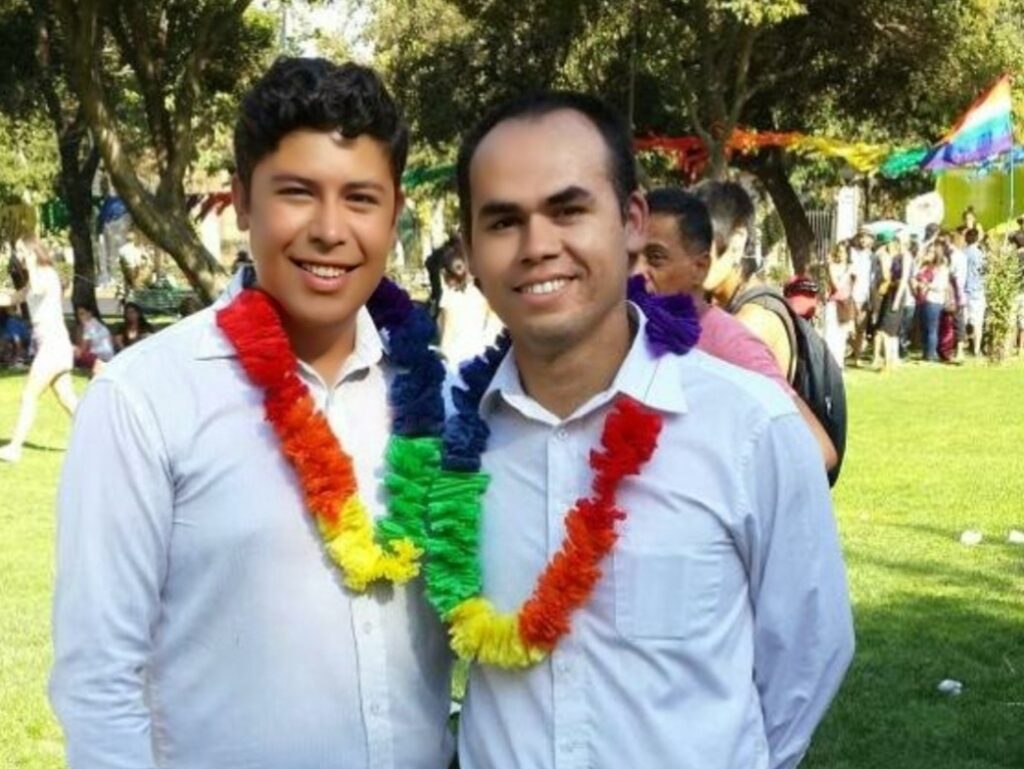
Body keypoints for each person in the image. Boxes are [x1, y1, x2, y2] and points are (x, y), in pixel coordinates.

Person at [50, 57, 453, 769]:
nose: (330, 230)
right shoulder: (147, 398)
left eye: (361, 199)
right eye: (297, 192)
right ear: (242, 201)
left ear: (394, 213)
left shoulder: (436, 396)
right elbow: (99, 676)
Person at [448, 91, 854, 769]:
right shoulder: (448, 436)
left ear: (632, 220)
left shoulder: (749, 428)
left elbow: (808, 656)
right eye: (503, 221)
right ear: (470, 247)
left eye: (569, 210)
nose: (538, 246)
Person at [636, 186, 837, 470]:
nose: (636, 271)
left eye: (655, 257)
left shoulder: (735, 333)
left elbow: (815, 450)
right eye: (629, 256)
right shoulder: (649, 326)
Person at [0, 238, 77, 463]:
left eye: (21, 251)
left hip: (53, 345)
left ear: (33, 251)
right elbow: (13, 298)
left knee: (29, 395)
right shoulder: (33, 278)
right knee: (67, 398)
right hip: (52, 345)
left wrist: (31, 263)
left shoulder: (46, 274)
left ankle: (15, 448)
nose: (19, 256)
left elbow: (38, 288)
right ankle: (102, 434)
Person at [437, 244, 500, 364]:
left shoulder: (450, 298)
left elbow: (446, 332)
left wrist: (443, 355)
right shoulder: (482, 294)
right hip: (481, 357)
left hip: (456, 358)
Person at [72, 303, 115, 376]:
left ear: (89, 313)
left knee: (71, 350)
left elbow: (83, 349)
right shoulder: (97, 323)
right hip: (108, 357)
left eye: (82, 314)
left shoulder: (89, 326)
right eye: (78, 314)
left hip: (99, 359)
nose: (80, 317)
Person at [962, 227, 986, 356]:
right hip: (977, 291)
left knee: (964, 320)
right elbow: (984, 271)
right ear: (977, 239)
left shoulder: (962, 253)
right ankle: (976, 349)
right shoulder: (980, 254)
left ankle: (963, 345)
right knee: (978, 322)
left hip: (963, 290)